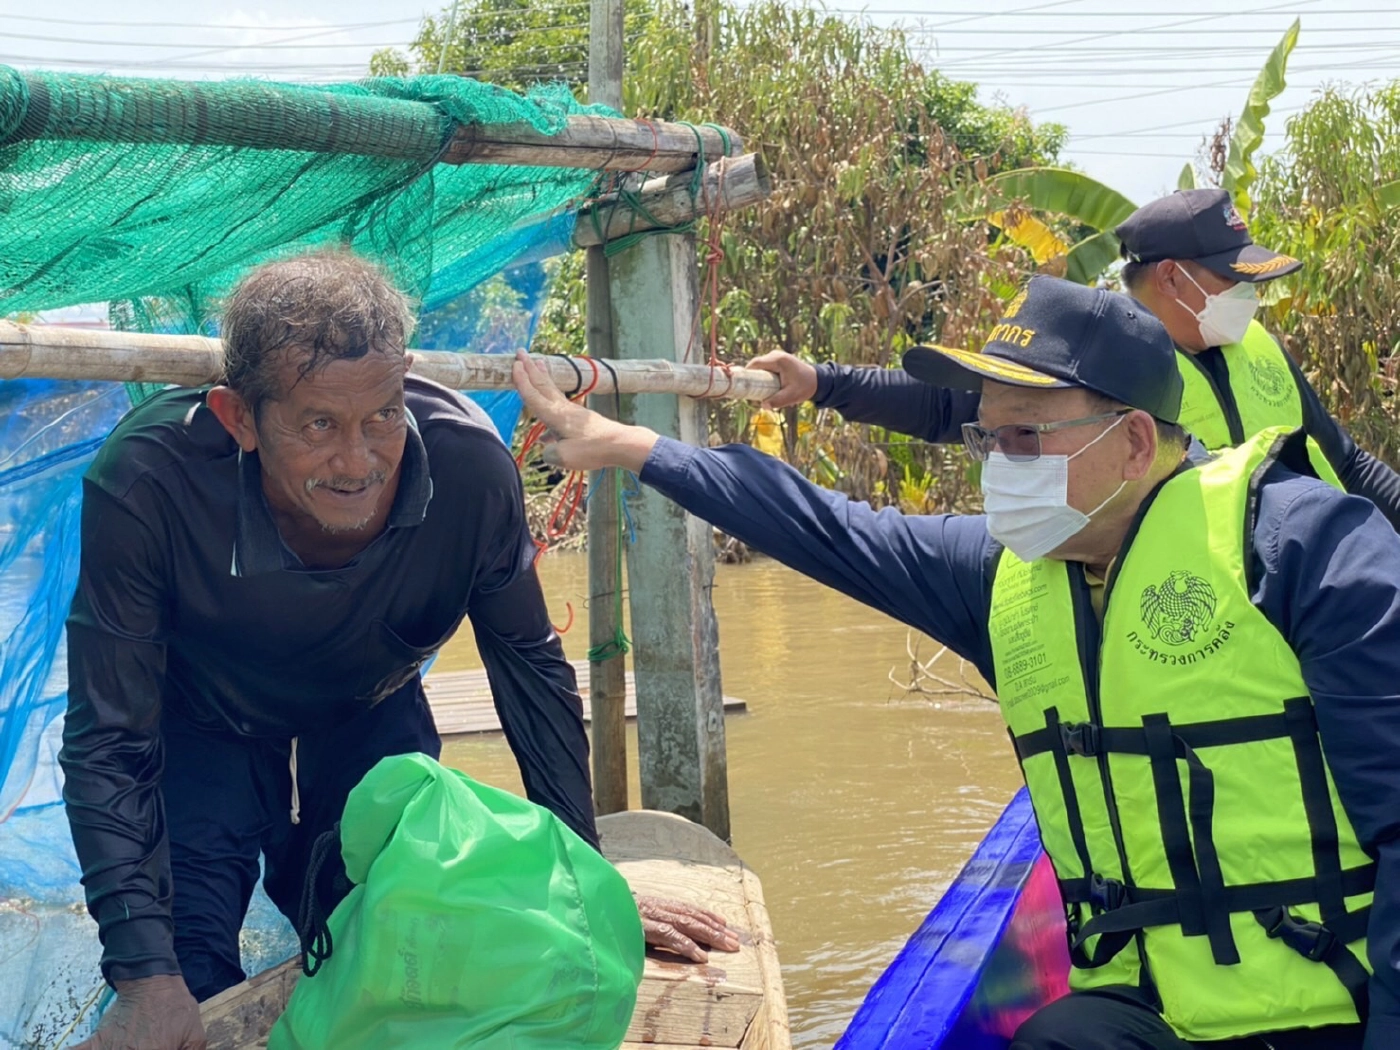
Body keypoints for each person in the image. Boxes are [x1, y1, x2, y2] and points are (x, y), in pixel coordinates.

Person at [514, 274, 1400, 1050]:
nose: (998, 468)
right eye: (987, 440)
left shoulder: (1304, 549)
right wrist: (629, 445)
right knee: (1058, 1035)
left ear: (1135, 442)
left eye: (1026, 440)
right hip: (1150, 1009)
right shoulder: (1000, 576)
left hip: (1332, 1012)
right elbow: (824, 528)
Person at [62, 251, 736, 1050]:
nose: (359, 463)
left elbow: (531, 674)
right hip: (206, 717)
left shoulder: (467, 469)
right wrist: (143, 977)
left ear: (405, 382)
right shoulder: (148, 483)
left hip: (369, 706)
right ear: (237, 418)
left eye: (382, 415)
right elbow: (110, 740)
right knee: (190, 978)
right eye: (319, 425)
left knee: (396, 948)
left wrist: (582, 886)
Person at [748, 187, 1400, 529]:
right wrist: (820, 381)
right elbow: (947, 405)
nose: (1247, 295)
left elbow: (1344, 463)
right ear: (1173, 278)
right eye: (1232, 279)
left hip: (1299, 591)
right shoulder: (1097, 350)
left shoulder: (1259, 347)